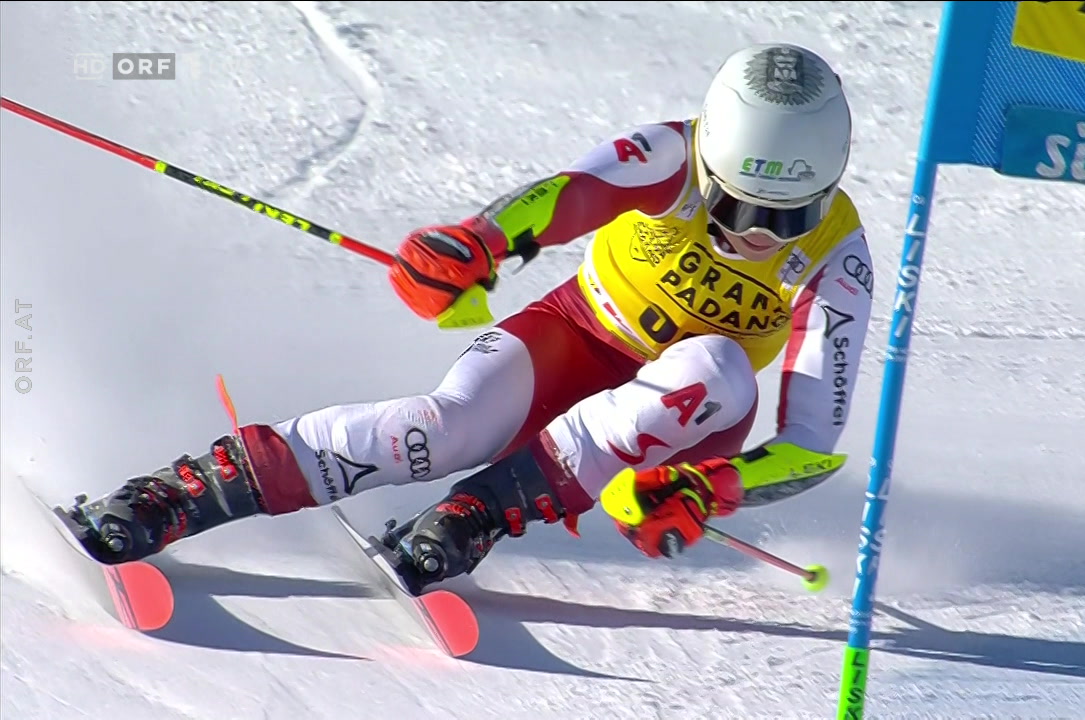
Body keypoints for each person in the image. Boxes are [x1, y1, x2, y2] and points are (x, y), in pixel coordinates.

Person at [66, 42, 875, 586]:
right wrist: (476, 244)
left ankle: (478, 512)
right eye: (735, 206)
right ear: (709, 162)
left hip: (685, 431)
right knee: (444, 429)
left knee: (717, 366)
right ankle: (184, 493)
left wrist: (711, 488)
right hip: (575, 337)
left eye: (789, 217)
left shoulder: (842, 257)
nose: (756, 237)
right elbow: (570, 194)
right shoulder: (671, 155)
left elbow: (810, 447)